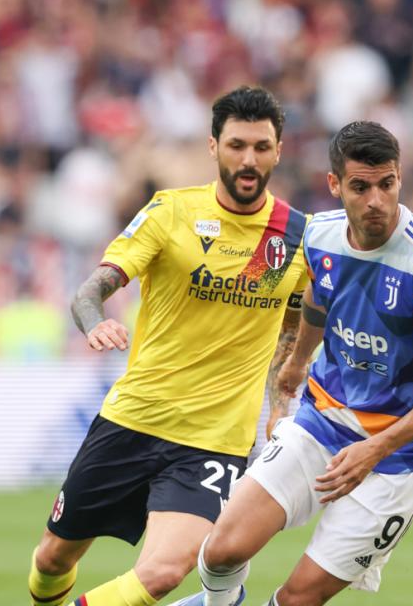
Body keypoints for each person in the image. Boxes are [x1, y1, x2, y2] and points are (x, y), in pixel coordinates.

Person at [173, 121, 413, 606]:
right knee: (220, 551)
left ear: (399, 177)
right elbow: (316, 297)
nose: (376, 200)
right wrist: (295, 365)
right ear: (335, 184)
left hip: (402, 455)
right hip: (323, 419)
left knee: (297, 599)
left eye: (387, 184)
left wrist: (376, 448)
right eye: (361, 186)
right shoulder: (317, 236)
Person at [27, 86, 311, 606]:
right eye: (236, 145)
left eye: (261, 147)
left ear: (278, 151)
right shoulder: (170, 212)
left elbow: (293, 328)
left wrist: (280, 399)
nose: (249, 160)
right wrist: (93, 322)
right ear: (213, 147)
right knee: (52, 559)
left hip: (213, 441)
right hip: (132, 419)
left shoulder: (296, 237)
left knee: (162, 573)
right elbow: (92, 289)